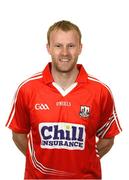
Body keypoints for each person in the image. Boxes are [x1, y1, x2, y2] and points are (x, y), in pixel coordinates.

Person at [6, 20, 122, 179]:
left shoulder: (100, 91)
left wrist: (84, 162)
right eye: (58, 46)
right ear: (48, 48)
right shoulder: (27, 89)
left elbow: (108, 138)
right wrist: (39, 163)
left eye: (71, 46)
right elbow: (18, 135)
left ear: (80, 48)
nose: (65, 53)